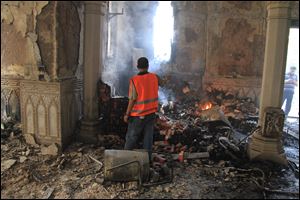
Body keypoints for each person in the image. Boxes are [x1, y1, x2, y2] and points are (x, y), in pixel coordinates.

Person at [123, 57, 159, 161]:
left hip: (138, 115)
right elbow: (162, 82)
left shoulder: (135, 80)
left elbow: (132, 99)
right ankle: (147, 162)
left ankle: (124, 159)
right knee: (148, 139)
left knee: (131, 137)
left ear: (137, 66)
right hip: (151, 113)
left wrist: (127, 114)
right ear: (148, 66)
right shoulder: (154, 77)